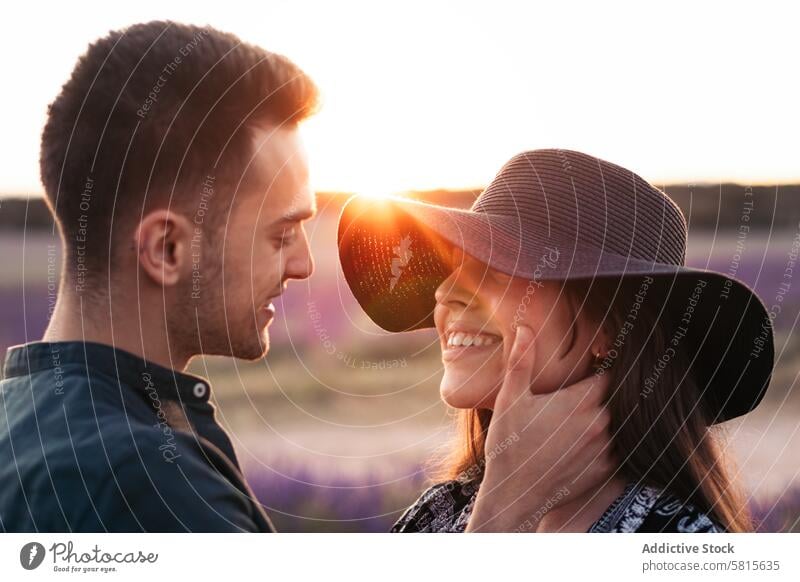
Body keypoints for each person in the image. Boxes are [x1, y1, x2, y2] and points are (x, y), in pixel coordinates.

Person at [0, 22, 612, 532]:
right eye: (280, 233)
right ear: (165, 248)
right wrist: (503, 516)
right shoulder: (143, 485)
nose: (304, 264)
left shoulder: (30, 420)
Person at [337, 149, 776, 532]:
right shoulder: (436, 517)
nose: (445, 292)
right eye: (454, 266)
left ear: (610, 331)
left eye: (499, 266)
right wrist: (504, 510)